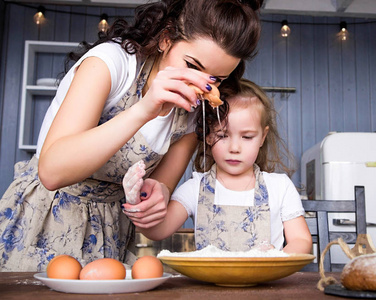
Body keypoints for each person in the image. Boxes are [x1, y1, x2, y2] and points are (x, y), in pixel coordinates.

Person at [0, 0, 264, 271]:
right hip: (42, 221)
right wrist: (144, 109)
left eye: (216, 79)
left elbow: (160, 188)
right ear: (166, 38)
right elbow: (52, 171)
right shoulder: (111, 64)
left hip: (111, 233)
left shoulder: (193, 112)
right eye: (192, 65)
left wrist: (155, 197)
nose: (199, 85)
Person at [123, 79, 313, 254]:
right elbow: (158, 230)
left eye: (247, 137)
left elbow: (301, 240)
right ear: (207, 135)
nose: (234, 148)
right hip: (209, 289)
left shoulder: (280, 187)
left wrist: (275, 259)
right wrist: (137, 203)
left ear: (263, 137)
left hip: (267, 288)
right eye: (222, 135)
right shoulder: (196, 187)